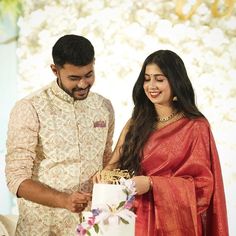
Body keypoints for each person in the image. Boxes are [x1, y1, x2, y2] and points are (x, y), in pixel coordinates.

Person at [94, 50, 228, 235]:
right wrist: (104, 176)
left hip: (177, 225)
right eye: (147, 79)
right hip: (137, 220)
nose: (151, 86)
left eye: (159, 79)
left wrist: (151, 184)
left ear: (175, 81)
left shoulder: (196, 127)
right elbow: (113, 167)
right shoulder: (136, 123)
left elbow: (203, 186)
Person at [5, 34, 115, 236]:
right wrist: (64, 200)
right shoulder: (30, 108)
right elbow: (16, 179)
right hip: (41, 228)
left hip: (92, 228)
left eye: (88, 75)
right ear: (55, 70)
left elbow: (106, 159)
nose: (83, 84)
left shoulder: (103, 107)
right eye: (74, 78)